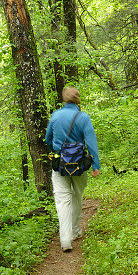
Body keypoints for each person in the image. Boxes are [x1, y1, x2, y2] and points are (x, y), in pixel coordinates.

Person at [44, 86, 101, 252]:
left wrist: (56, 151)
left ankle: (65, 239)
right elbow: (91, 143)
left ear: (64, 99)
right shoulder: (83, 117)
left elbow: (48, 139)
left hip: (59, 165)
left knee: (62, 200)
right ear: (78, 100)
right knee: (77, 197)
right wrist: (95, 165)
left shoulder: (55, 116)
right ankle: (75, 231)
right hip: (79, 166)